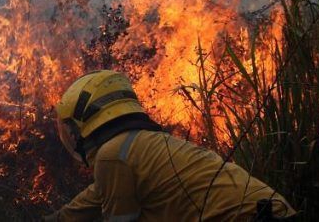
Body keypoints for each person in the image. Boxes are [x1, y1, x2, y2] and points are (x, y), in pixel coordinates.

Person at [45, 70, 296, 221]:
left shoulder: (112, 156)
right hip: (271, 209)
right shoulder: (137, 146)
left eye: (72, 129)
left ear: (86, 120)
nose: (74, 137)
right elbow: (95, 196)